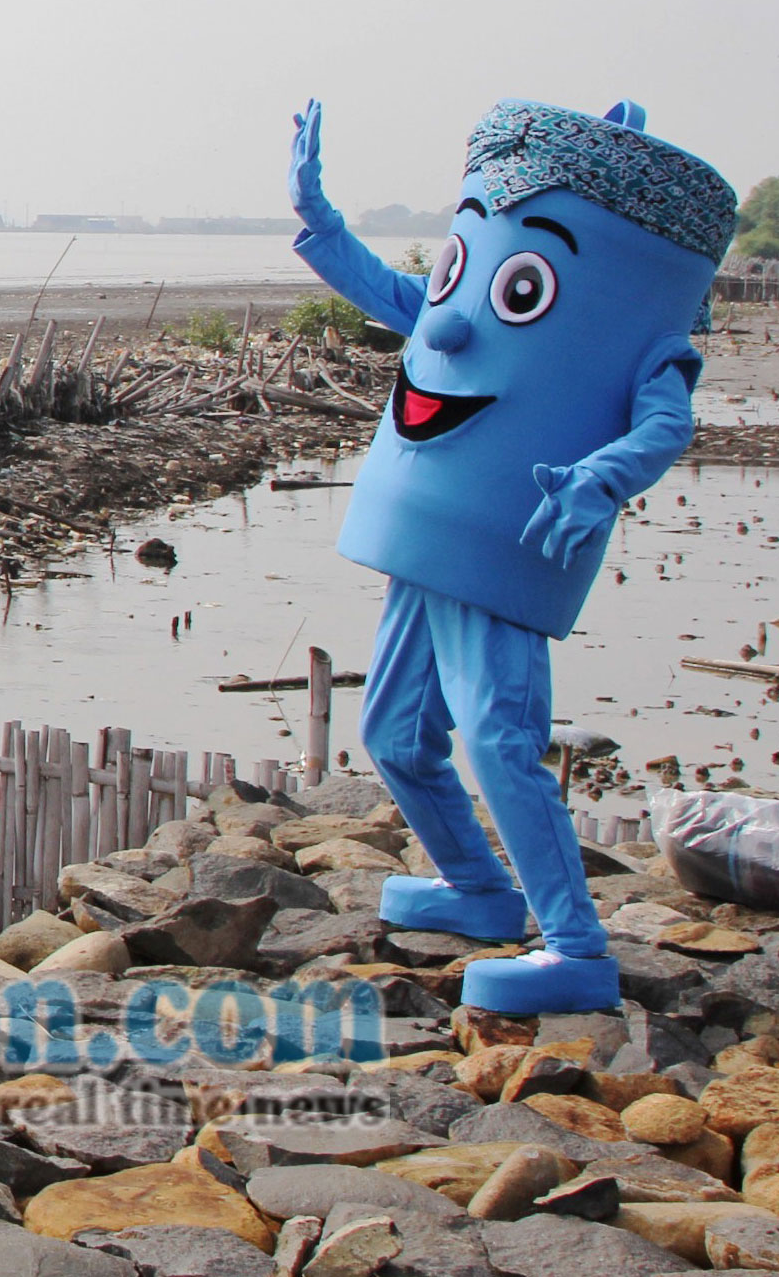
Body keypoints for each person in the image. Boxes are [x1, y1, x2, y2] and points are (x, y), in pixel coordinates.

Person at [288, 96, 733, 1015]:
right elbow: (405, 302)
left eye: (518, 284)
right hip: (425, 528)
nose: (450, 328)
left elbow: (665, 424)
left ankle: (575, 947)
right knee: (398, 736)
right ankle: (479, 891)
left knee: (500, 738)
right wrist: (320, 222)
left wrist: (601, 479)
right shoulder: (447, 311)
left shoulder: (647, 336)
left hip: (510, 537)